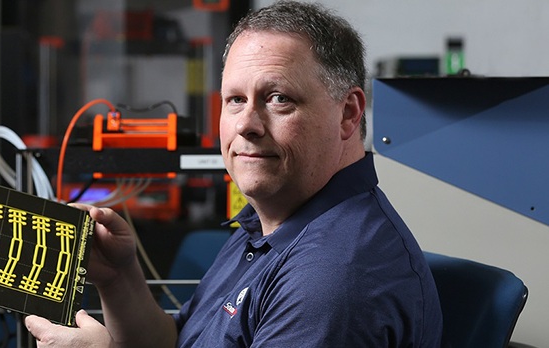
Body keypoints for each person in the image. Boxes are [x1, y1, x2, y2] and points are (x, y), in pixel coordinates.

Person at [24, 1, 443, 347]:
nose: (246, 124)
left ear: (348, 113)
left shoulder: (333, 277)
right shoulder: (270, 224)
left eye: (278, 98)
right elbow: (178, 343)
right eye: (235, 99)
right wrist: (119, 278)